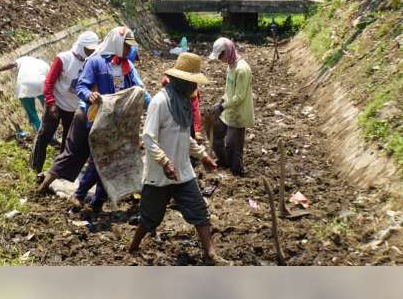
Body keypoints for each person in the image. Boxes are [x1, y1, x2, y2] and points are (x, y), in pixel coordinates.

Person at [128, 52, 229, 265]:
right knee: (150, 218)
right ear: (180, 81)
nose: (195, 88)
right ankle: (133, 247)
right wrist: (164, 162)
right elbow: (148, 137)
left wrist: (202, 156)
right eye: (192, 83)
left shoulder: (183, 104)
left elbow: (185, 137)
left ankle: (210, 252)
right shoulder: (160, 102)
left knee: (199, 211)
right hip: (159, 174)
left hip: (182, 172)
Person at [37, 26, 149, 213]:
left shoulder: (127, 68)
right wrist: (90, 95)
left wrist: (150, 105)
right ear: (116, 44)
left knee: (104, 160)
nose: (129, 51)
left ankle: (96, 200)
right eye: (127, 46)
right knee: (76, 154)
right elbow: (82, 86)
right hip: (89, 117)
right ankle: (61, 189)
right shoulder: (96, 62)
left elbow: (139, 90)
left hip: (111, 121)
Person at [30, 30, 99, 174]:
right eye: (88, 49)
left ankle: (58, 172)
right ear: (81, 46)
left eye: (93, 49)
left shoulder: (91, 62)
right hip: (56, 104)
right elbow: (49, 82)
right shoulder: (64, 59)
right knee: (45, 135)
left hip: (73, 108)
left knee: (68, 141)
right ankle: (34, 168)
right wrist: (50, 103)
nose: (91, 51)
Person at [208, 37, 254, 176]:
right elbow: (228, 90)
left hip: (238, 114)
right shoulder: (230, 66)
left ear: (228, 51)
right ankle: (224, 161)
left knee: (233, 147)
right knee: (215, 133)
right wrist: (221, 102)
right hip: (228, 109)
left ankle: (237, 173)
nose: (220, 59)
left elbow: (239, 97)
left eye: (221, 55)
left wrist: (222, 107)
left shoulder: (242, 69)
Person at [0, 55, 50, 136]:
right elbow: (51, 78)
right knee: (48, 111)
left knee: (32, 113)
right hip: (41, 84)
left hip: (24, 86)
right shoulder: (44, 63)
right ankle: (51, 134)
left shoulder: (24, 59)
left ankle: (40, 134)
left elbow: (11, 64)